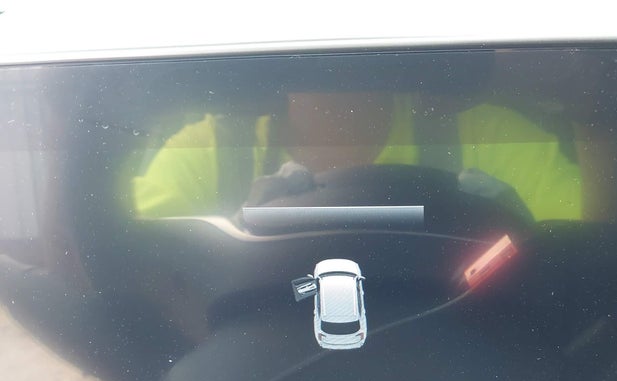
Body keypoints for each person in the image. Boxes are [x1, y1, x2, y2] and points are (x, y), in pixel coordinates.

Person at [131, 92, 586, 222]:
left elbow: (598, 254)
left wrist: (529, 251)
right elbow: (127, 284)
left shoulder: (490, 135)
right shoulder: (208, 151)